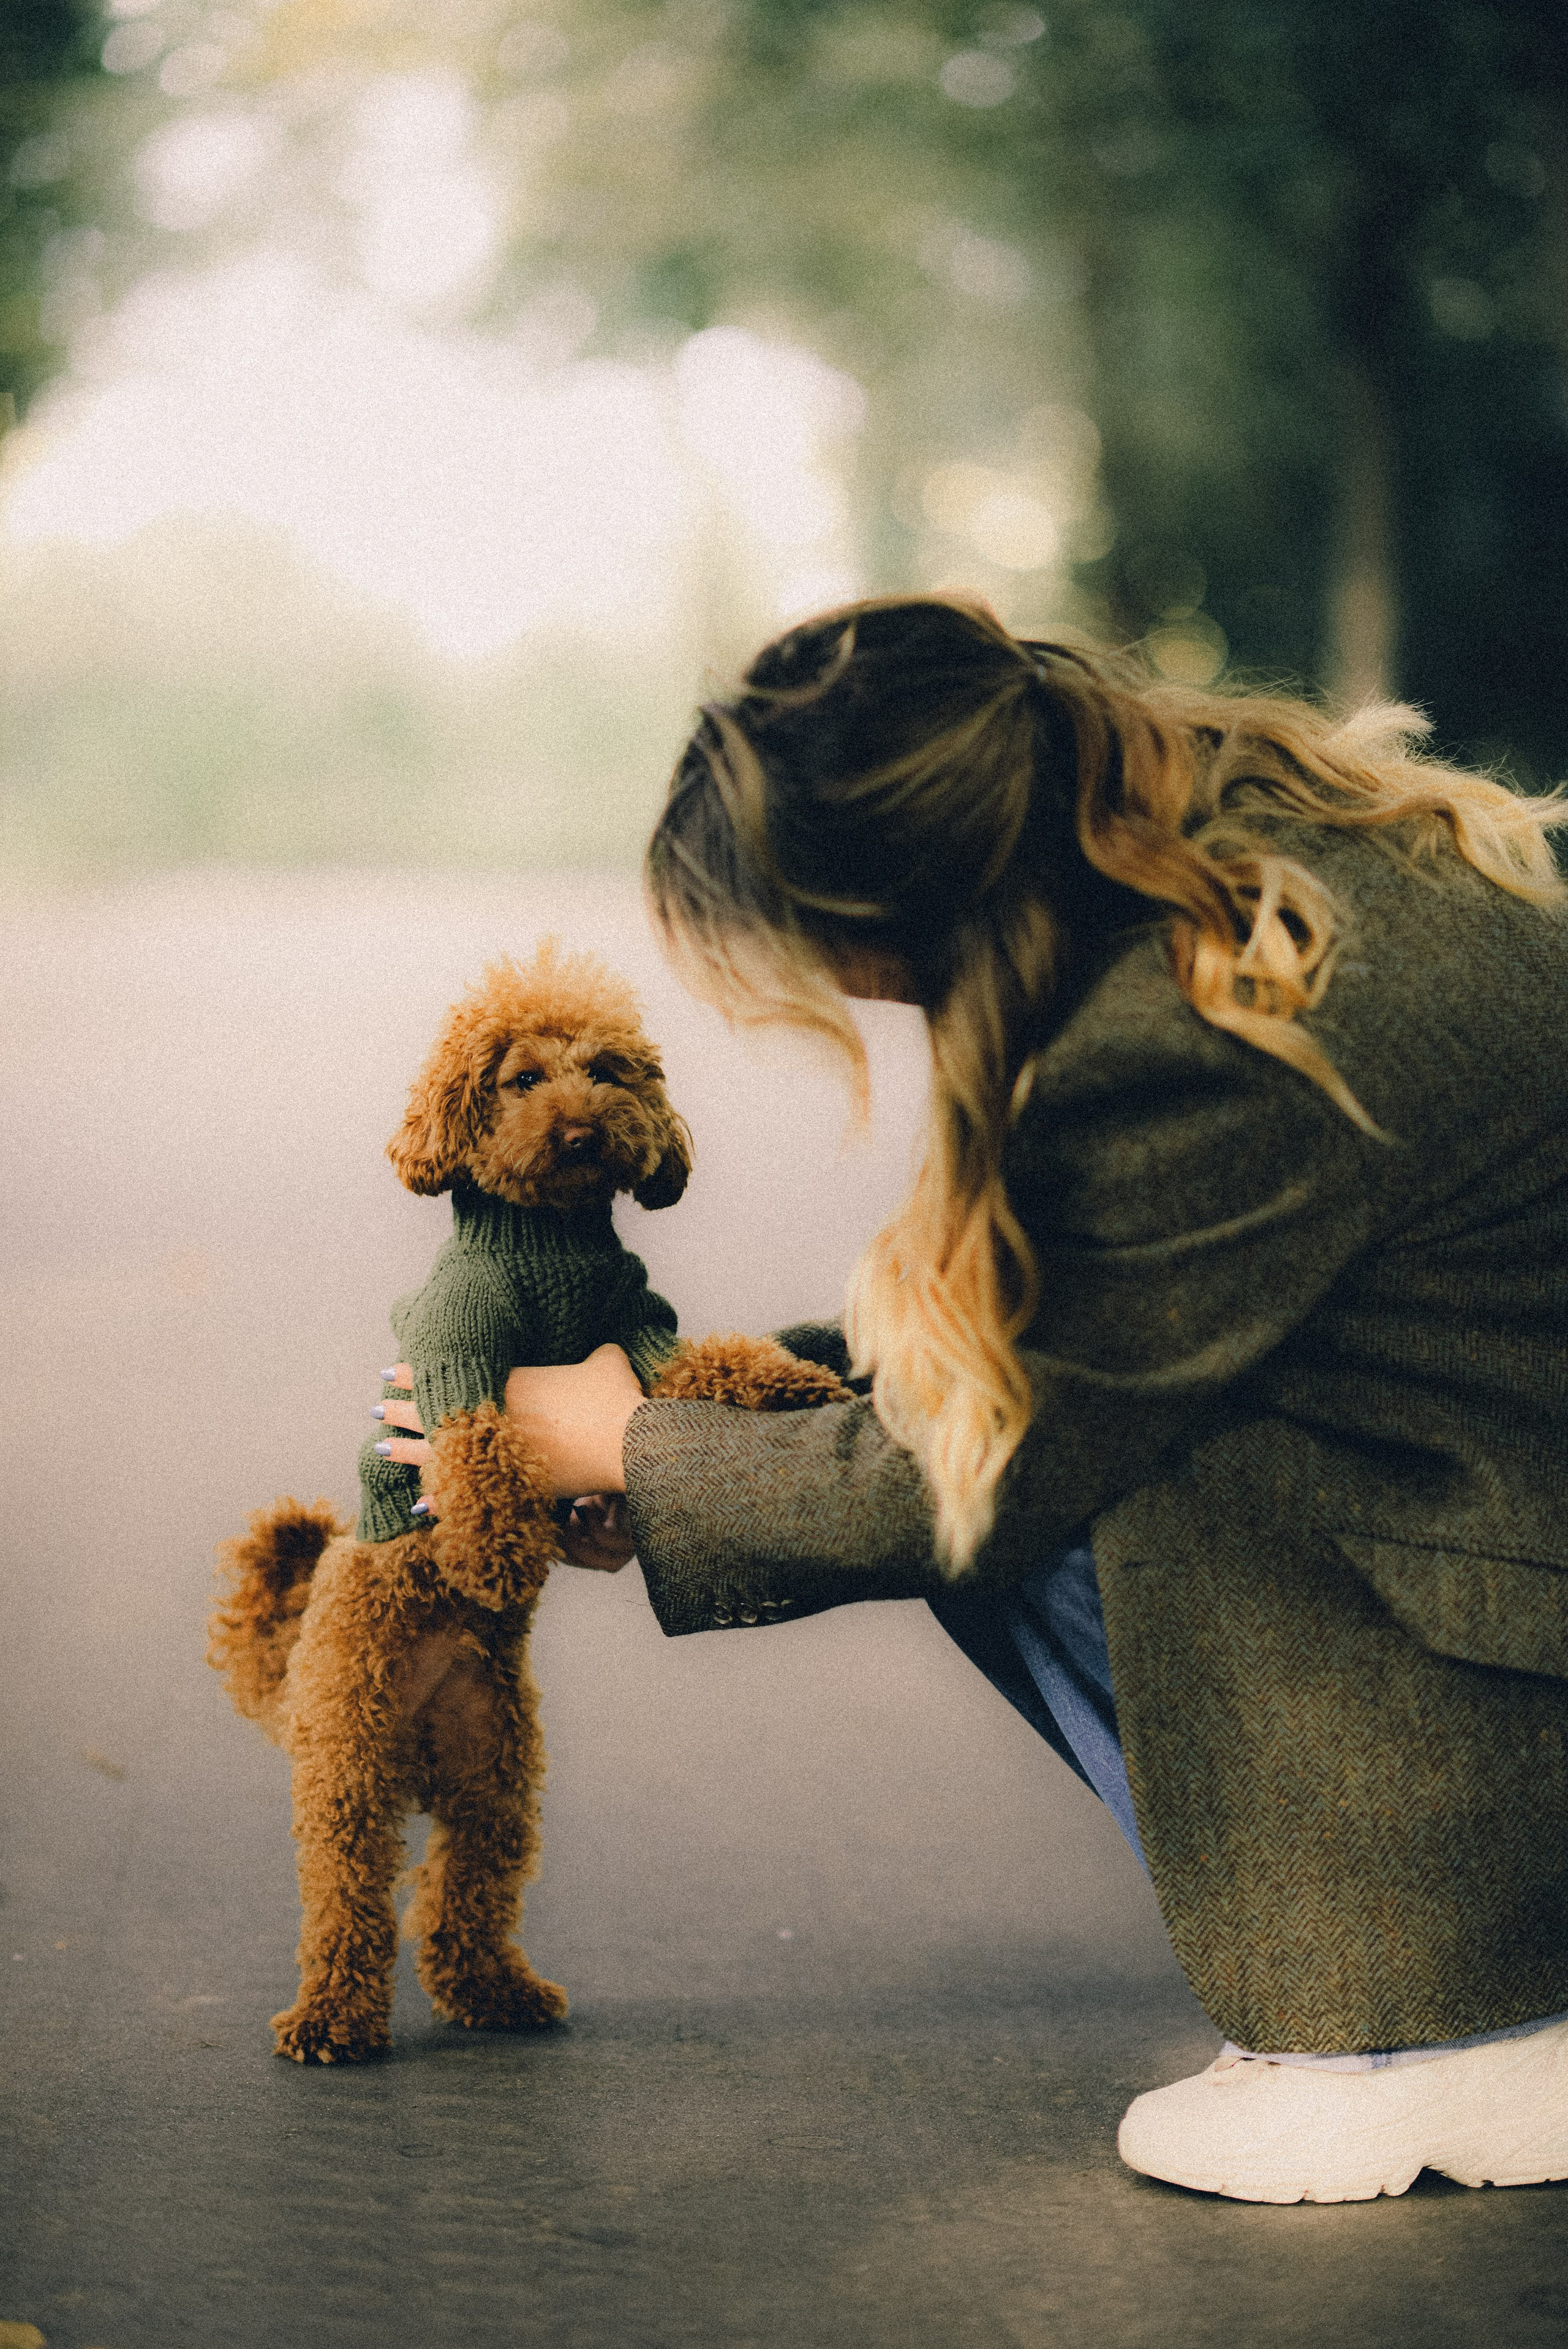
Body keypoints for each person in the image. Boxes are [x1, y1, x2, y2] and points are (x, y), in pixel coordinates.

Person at [377, 595, 1568, 2204]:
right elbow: (1073, 1310)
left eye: (798, 943)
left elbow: (983, 1450)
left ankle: (1412, 2025)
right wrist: (672, 1405)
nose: (814, 981)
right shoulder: (1240, 849)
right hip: (1501, 1495)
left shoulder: (1203, 1024)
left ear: (895, 911)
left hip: (1512, 1651)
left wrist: (621, 1443)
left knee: (1022, 1473)